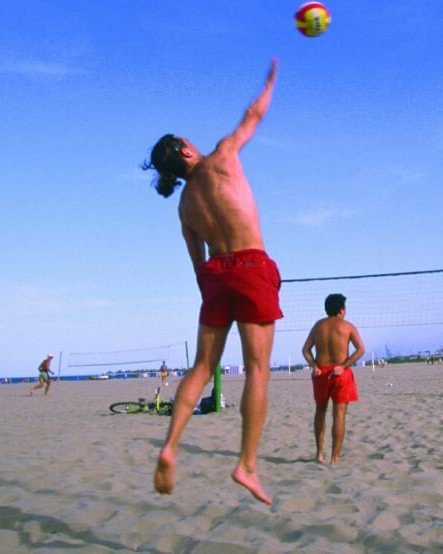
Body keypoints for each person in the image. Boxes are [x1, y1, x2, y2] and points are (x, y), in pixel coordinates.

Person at [144, 59, 281, 505]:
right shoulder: (222, 156)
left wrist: (212, 287)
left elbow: (195, 263)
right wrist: (269, 84)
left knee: (203, 368)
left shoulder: (184, 207)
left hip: (214, 277)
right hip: (251, 265)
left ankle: (170, 445)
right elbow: (254, 116)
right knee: (257, 369)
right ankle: (246, 465)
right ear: (185, 149)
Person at [301, 293, 365, 465]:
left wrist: (314, 366)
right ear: (342, 310)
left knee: (320, 411)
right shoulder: (347, 326)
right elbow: (361, 350)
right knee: (339, 415)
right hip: (339, 372)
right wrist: (344, 366)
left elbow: (305, 350)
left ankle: (319, 454)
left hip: (320, 372)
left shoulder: (318, 326)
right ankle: (334, 458)